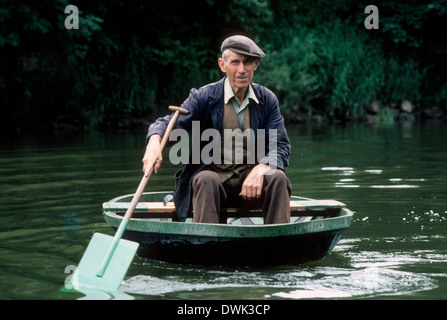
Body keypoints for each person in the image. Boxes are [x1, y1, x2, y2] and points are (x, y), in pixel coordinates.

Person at [142, 35, 291, 224]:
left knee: (277, 177)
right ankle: (208, 244)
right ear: (222, 65)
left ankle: (278, 245)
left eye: (247, 62)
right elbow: (168, 123)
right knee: (206, 179)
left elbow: (281, 146)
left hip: (251, 187)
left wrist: (262, 167)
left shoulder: (267, 100)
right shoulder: (204, 97)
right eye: (235, 62)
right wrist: (154, 143)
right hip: (212, 186)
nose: (241, 70)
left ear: (256, 64)